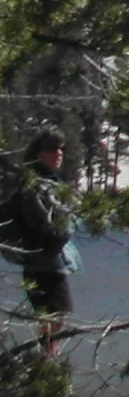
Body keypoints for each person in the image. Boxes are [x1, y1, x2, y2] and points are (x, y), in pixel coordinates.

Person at [13, 131, 77, 357]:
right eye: (52, 149)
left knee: (55, 316)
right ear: (39, 154)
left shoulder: (50, 181)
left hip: (50, 261)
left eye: (61, 148)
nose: (58, 153)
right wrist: (62, 231)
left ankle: (49, 362)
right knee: (49, 317)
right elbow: (41, 223)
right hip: (41, 262)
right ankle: (48, 364)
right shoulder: (33, 185)